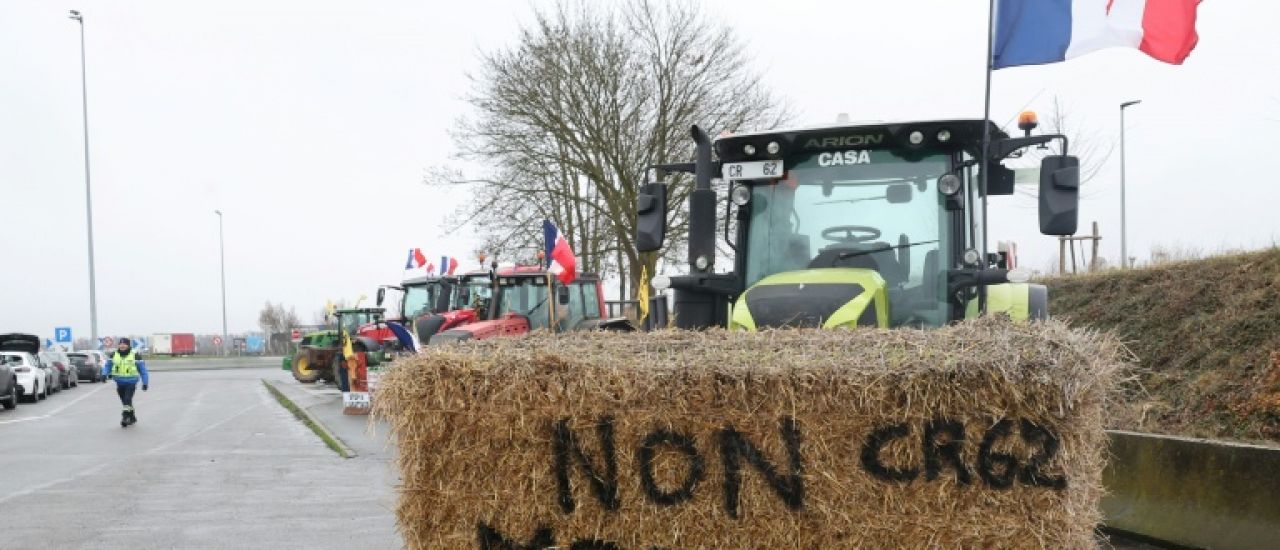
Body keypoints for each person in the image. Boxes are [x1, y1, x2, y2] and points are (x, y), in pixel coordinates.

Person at [102, 338, 149, 427]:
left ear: (128, 345)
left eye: (124, 344)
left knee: (127, 399)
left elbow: (143, 370)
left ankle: (125, 417)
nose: (122, 345)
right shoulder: (113, 354)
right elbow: (108, 366)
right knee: (125, 402)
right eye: (121, 344)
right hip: (119, 382)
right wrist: (104, 374)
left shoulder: (135, 355)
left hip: (131, 382)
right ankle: (132, 417)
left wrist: (145, 383)